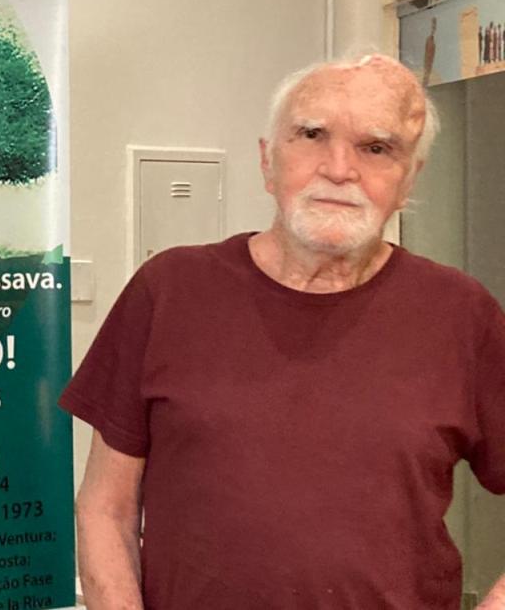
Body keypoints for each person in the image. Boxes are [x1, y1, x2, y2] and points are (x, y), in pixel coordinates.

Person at [60, 54, 505, 609]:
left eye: (376, 148)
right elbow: (105, 507)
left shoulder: (460, 314)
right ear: (267, 161)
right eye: (312, 135)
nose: (339, 169)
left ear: (408, 179)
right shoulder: (170, 290)